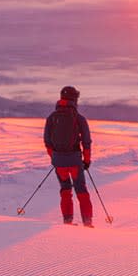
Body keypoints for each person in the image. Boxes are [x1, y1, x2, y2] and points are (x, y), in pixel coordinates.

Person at [44, 85, 94, 227]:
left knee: (65, 190)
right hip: (75, 161)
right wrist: (87, 160)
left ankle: (67, 221)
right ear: (74, 99)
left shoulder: (51, 118)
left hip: (59, 163)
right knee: (81, 190)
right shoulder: (79, 119)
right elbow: (86, 142)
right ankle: (87, 222)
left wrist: (54, 158)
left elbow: (47, 142)